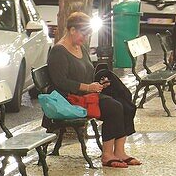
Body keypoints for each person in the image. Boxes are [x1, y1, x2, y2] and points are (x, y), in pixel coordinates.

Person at [48, 12, 139, 168]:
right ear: (72, 30)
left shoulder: (80, 48)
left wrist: (98, 83)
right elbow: (60, 82)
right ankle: (107, 154)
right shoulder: (59, 51)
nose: (85, 38)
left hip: (87, 95)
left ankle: (120, 151)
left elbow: (88, 73)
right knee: (113, 107)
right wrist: (88, 87)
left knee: (124, 102)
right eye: (83, 34)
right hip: (70, 100)